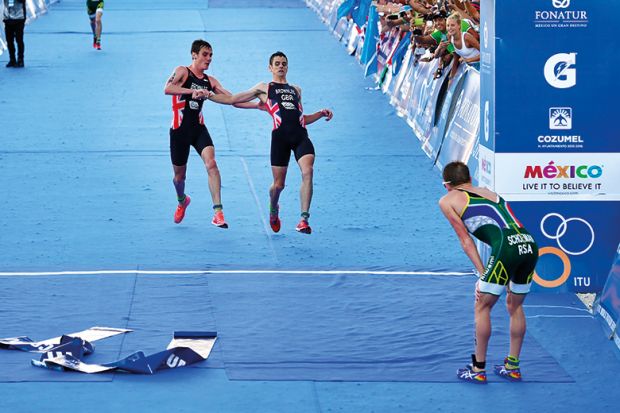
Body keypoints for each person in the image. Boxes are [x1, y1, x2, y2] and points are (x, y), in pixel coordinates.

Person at [209, 51, 333, 234]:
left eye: (284, 63)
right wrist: (207, 95)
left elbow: (301, 119)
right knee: (279, 185)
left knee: (308, 171)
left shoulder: (296, 90)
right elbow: (233, 100)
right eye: (277, 63)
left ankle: (303, 219)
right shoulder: (264, 88)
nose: (281, 66)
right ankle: (274, 208)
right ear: (270, 68)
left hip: (301, 137)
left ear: (287, 67)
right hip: (280, 139)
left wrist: (320, 114)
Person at [438, 161, 539, 384]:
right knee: (515, 305)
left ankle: (478, 369)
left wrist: (483, 274)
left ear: (447, 185)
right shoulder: (489, 192)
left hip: (506, 247)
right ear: (470, 179)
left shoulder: (447, 200)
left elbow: (466, 241)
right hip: (529, 244)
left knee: (482, 306)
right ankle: (512, 367)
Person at [164, 39, 251, 228]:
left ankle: (218, 212)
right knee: (179, 177)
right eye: (205, 54)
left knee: (212, 164)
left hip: (198, 129)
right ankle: (182, 200)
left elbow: (232, 99)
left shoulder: (210, 81)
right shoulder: (182, 71)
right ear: (194, 55)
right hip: (179, 131)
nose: (209, 58)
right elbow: (167, 88)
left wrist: (258, 105)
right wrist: (191, 92)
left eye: (211, 55)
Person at [446, 12, 480, 81]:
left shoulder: (466, 37)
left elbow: (484, 54)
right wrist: (451, 76)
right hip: (469, 69)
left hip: (480, 68)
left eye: (452, 25)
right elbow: (456, 58)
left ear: (459, 26)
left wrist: (468, 60)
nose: (449, 28)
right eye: (448, 25)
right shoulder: (450, 37)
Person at [3, 0, 26, 68]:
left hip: (19, 19)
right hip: (8, 19)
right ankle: (12, 59)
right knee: (9, 40)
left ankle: (20, 59)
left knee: (19, 40)